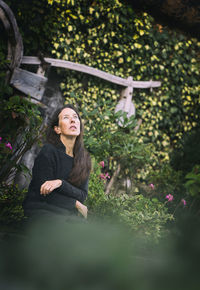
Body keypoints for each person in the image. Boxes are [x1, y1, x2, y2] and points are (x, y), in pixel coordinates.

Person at [23, 104, 91, 221]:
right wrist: (75, 203)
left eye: (75, 117)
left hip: (66, 213)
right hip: (41, 209)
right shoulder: (49, 151)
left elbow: (82, 195)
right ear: (57, 129)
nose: (72, 120)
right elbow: (43, 192)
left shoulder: (84, 158)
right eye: (66, 117)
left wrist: (60, 183)